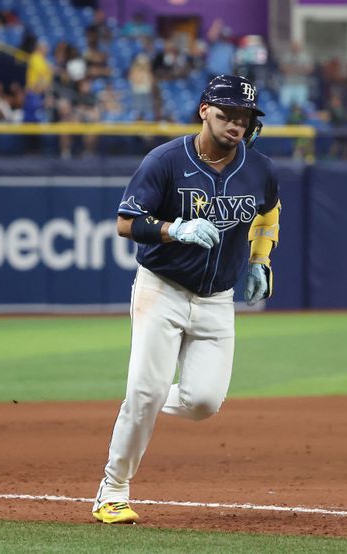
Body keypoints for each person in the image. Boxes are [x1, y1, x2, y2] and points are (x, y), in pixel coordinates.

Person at [92, 75, 280, 524]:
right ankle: (112, 491)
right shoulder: (166, 160)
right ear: (204, 111)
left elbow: (268, 212)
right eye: (227, 114)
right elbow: (125, 222)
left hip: (218, 299)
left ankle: (143, 398)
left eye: (244, 117)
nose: (236, 124)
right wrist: (172, 229)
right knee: (146, 389)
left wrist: (260, 260)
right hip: (163, 289)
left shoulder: (258, 168)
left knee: (203, 403)